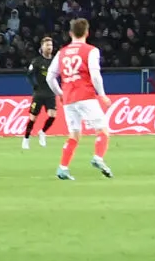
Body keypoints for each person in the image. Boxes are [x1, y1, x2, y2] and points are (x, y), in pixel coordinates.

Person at [46, 18, 112, 183]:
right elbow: (95, 74)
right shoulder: (91, 50)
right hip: (86, 96)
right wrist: (102, 94)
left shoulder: (61, 52)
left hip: (68, 98)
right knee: (102, 130)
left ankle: (63, 168)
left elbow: (50, 77)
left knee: (74, 134)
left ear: (70, 33)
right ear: (87, 33)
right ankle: (98, 157)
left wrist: (60, 93)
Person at [21, 35, 58, 150]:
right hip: (39, 94)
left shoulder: (55, 61)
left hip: (50, 93)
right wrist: (34, 86)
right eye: (47, 45)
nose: (49, 47)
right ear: (42, 47)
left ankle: (42, 132)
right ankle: (26, 138)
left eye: (51, 45)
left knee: (52, 116)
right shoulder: (37, 61)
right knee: (32, 118)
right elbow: (29, 76)